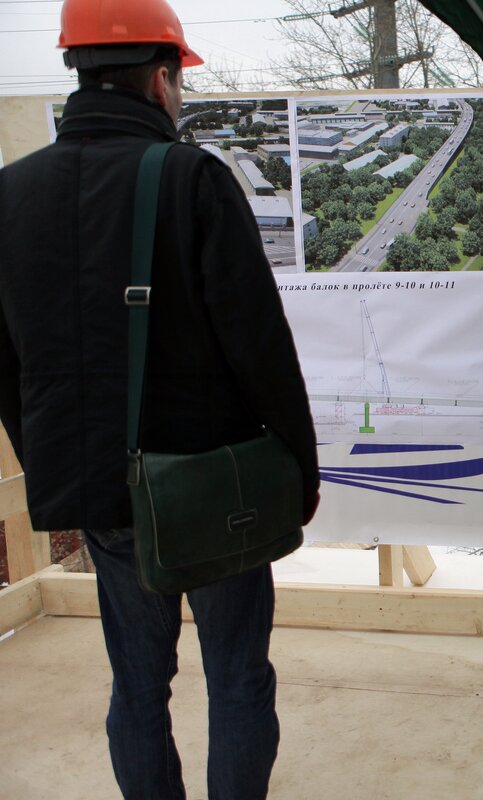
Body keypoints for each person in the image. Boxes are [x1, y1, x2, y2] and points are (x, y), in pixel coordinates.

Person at [0, 0, 320, 797]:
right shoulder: (192, 179)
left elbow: (7, 364)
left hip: (103, 493)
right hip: (212, 487)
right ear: (160, 78)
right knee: (238, 679)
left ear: (77, 70)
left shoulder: (9, 194)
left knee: (138, 687)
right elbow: (260, 344)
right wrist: (298, 472)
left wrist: (55, 465)